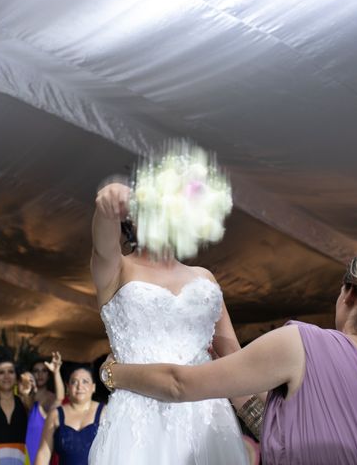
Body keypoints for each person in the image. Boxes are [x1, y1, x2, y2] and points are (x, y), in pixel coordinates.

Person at [100, 248, 357, 464]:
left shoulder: (303, 344)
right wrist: (227, 351)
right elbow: (290, 431)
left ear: (349, 293)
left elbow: (179, 384)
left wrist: (114, 373)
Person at [87, 182, 248, 464]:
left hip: (209, 420)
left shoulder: (205, 277)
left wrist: (271, 415)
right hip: (138, 424)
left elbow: (233, 356)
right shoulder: (118, 268)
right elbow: (102, 246)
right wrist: (107, 201)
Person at [35, 368, 105, 465]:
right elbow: (44, 453)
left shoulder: (105, 412)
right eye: (74, 382)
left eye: (85, 381)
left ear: (93, 387)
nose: (80, 386)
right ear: (67, 387)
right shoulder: (55, 415)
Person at [0, 358, 34, 465]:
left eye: (11, 372)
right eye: (1, 372)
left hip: (19, 456)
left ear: (17, 377)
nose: (7, 376)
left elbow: (30, 403)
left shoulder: (24, 400)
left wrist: (25, 391)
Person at [25, 352, 65, 464]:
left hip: (44, 456)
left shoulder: (51, 398)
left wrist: (56, 372)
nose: (40, 374)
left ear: (49, 374)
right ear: (31, 374)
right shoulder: (25, 397)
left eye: (44, 371)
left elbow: (60, 398)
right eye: (36, 371)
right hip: (22, 455)